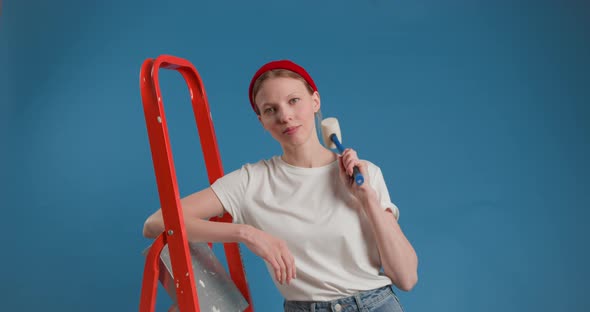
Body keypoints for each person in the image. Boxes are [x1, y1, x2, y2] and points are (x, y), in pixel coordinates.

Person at [143, 60, 418, 312]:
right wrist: (246, 233)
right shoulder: (251, 181)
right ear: (261, 121)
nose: (285, 116)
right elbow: (155, 223)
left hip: (376, 304)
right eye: (270, 110)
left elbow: (406, 278)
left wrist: (367, 198)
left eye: (293, 100)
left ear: (315, 101)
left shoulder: (362, 174)